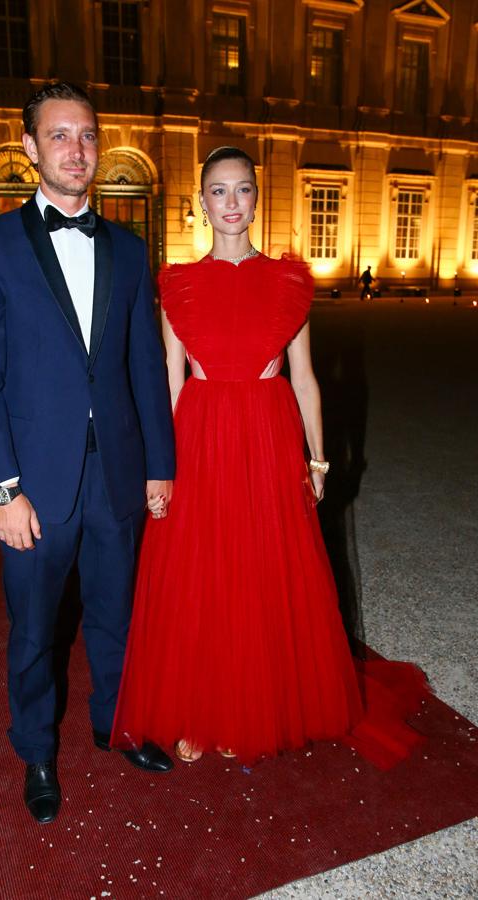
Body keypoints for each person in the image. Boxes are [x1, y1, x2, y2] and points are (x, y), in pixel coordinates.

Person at [111, 146, 429, 767]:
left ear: (257, 198)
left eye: (243, 190)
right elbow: (171, 383)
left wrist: (317, 461)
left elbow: (305, 379)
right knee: (200, 575)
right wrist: (163, 467)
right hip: (200, 437)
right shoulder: (176, 283)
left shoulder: (288, 281)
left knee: (259, 571)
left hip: (266, 435)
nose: (232, 203)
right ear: (202, 204)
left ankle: (249, 706)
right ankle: (197, 708)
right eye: (219, 192)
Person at [0, 81, 176, 825]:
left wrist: (159, 465)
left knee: (117, 612)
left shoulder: (130, 249)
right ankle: (36, 752)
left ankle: (114, 722)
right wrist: (2, 489)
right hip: (33, 486)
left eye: (86, 136)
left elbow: (145, 366)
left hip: (115, 471)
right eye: (59, 136)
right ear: (30, 149)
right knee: (36, 627)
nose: (76, 150)